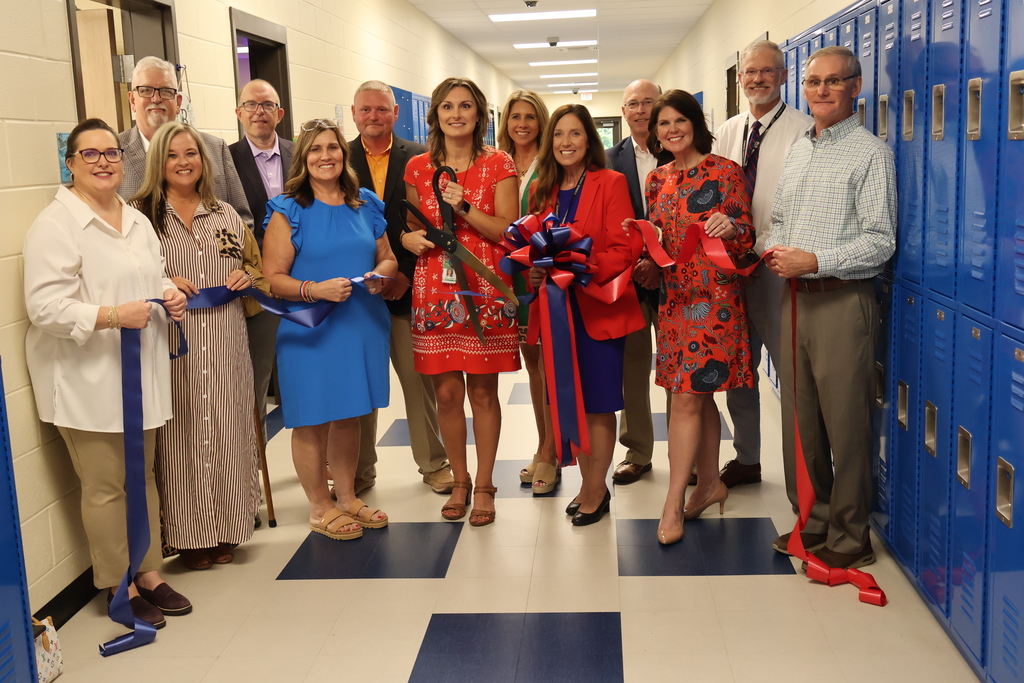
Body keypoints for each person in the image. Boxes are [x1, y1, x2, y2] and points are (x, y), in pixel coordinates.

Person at [24, 118, 189, 627]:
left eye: (111, 153)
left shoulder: (135, 219)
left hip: (139, 373)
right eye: (89, 154)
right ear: (70, 164)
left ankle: (149, 573)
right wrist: (112, 316)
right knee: (105, 486)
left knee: (142, 479)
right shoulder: (55, 224)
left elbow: (148, 274)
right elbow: (44, 307)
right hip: (86, 382)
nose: (102, 162)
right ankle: (117, 585)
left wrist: (170, 292)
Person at [764, 46, 896, 569]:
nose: (820, 91)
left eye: (832, 82)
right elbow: (778, 220)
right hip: (794, 298)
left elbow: (880, 241)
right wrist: (773, 250)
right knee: (802, 421)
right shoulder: (800, 149)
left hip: (843, 299)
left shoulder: (871, 154)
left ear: (855, 87)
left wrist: (814, 260)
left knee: (845, 423)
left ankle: (849, 533)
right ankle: (811, 521)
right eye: (813, 81)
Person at [131, 121, 265, 570]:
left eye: (190, 153)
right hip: (172, 340)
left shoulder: (225, 214)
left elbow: (256, 270)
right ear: (158, 162)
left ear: (203, 161)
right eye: (172, 155)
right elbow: (124, 276)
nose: (183, 162)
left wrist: (247, 278)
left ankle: (227, 527)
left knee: (227, 428)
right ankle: (187, 535)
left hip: (226, 339)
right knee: (180, 434)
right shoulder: (140, 217)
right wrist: (162, 281)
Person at [263, 118, 397, 540]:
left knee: (350, 413)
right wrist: (312, 289)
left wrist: (380, 274)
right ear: (303, 158)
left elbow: (388, 257)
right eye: (316, 149)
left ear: (344, 154)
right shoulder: (289, 209)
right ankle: (320, 506)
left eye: (333, 148)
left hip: (360, 323)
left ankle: (348, 496)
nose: (326, 156)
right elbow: (272, 277)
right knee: (311, 419)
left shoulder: (366, 204)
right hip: (311, 328)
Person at [401, 77, 519, 527]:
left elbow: (507, 231)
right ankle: (461, 480)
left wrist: (465, 206)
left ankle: (486, 484)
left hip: (484, 286)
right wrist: (408, 238)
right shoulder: (417, 168)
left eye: (465, 106)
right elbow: (413, 226)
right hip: (434, 288)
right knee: (447, 393)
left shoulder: (498, 163)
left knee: (483, 392)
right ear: (435, 115)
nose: (456, 114)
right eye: (447, 107)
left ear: (479, 114)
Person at [644, 90, 755, 545]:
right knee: (698, 393)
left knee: (686, 398)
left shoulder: (725, 172)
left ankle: (672, 502)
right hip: (673, 301)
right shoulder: (657, 180)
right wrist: (646, 260)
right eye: (663, 123)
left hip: (714, 303)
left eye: (679, 121)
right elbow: (659, 241)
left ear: (695, 123)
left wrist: (731, 229)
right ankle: (710, 484)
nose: (672, 130)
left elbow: (747, 236)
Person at [527, 104, 644, 524]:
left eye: (575, 134)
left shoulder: (609, 182)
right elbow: (531, 247)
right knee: (570, 402)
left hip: (597, 307)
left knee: (597, 404)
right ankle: (585, 484)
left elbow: (624, 247)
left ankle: (597, 490)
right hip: (557, 313)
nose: (566, 143)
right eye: (559, 134)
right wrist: (537, 274)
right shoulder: (543, 187)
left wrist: (578, 269)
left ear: (589, 140)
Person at [712, 40, 813, 488]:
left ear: (784, 76)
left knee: (791, 376)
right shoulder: (726, 132)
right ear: (740, 79)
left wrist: (762, 247)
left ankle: (803, 482)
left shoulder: (804, 130)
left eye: (768, 71)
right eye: (750, 72)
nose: (758, 79)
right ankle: (747, 458)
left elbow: (803, 205)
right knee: (739, 370)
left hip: (775, 270)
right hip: (730, 271)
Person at [347, 80, 452, 496]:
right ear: (354, 114)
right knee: (360, 384)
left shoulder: (419, 159)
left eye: (382, 109)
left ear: (395, 112)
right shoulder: (339, 157)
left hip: (406, 288)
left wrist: (403, 271)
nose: (374, 117)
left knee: (417, 381)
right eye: (366, 110)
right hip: (356, 294)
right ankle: (358, 471)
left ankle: (433, 463)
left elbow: (426, 221)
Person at [606, 79, 674, 485]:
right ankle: (637, 451)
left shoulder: (681, 150)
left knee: (679, 367)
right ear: (624, 111)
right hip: (629, 280)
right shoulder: (609, 159)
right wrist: (638, 262)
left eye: (649, 102)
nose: (642, 109)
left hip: (676, 280)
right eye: (633, 103)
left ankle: (692, 454)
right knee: (632, 369)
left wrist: (659, 262)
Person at [496, 89, 557, 493]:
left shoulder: (550, 164)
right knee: (532, 365)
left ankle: (552, 452)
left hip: (544, 275)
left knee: (551, 368)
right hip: (510, 277)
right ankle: (542, 445)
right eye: (514, 116)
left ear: (542, 122)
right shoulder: (497, 163)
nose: (522, 124)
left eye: (530, 117)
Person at [229, 79, 294, 450]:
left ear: (279, 113)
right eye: (250, 105)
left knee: (304, 372)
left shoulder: (299, 153)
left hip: (302, 281)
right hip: (256, 287)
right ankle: (253, 467)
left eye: (267, 104)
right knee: (257, 375)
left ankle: (324, 462)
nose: (259, 111)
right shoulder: (225, 158)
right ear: (239, 113)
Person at [118, 56, 253, 227]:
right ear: (132, 100)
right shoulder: (114, 152)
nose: (156, 98)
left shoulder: (215, 148)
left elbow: (243, 219)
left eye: (166, 91)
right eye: (146, 90)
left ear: (178, 102)